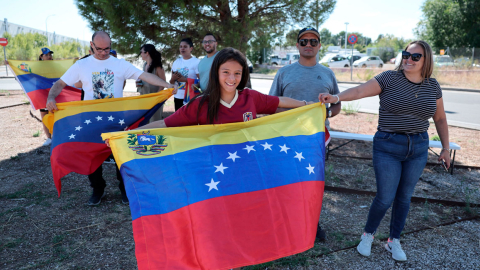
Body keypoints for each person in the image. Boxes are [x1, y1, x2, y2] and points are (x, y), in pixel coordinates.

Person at [318, 40, 451, 261]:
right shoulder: (390, 78)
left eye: (415, 56)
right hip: (388, 145)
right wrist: (336, 98)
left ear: (426, 60)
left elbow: (440, 118)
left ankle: (393, 240)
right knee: (385, 197)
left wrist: (446, 148)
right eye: (405, 54)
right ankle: (368, 235)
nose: (408, 59)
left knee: (404, 197)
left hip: (418, 147)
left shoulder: (433, 85)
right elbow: (361, 90)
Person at [46, 31, 177, 206]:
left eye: (107, 49)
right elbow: (59, 84)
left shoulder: (119, 64)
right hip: (90, 121)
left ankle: (125, 190)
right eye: (99, 49)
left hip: (117, 120)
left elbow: (144, 76)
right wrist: (50, 98)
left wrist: (166, 85)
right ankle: (97, 189)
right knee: (92, 155)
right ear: (91, 45)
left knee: (119, 155)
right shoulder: (81, 65)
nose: (103, 52)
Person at [269, 27, 341, 241]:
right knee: (286, 181)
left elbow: (336, 107)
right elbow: (271, 104)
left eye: (313, 41)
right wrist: (299, 111)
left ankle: (311, 224)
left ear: (319, 46)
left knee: (312, 183)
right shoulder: (284, 72)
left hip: (315, 139)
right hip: (287, 138)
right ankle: (284, 224)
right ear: (297, 45)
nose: (308, 45)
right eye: (304, 41)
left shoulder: (328, 74)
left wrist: (323, 112)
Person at [136, 44, 166, 121]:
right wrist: (139, 83)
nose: (141, 54)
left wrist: (156, 98)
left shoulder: (158, 67)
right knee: (144, 121)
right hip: (144, 98)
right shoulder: (145, 65)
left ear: (147, 53)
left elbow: (163, 83)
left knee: (154, 121)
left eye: (141, 52)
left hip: (155, 101)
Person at [169, 38, 199, 111]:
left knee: (190, 120)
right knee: (178, 121)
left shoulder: (196, 62)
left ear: (191, 48)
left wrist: (185, 80)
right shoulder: (176, 62)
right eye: (181, 46)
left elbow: (201, 81)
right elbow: (171, 82)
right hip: (178, 96)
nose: (182, 48)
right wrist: (173, 78)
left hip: (191, 97)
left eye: (185, 47)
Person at [39, 47, 55, 146]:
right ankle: (48, 138)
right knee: (44, 115)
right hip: (42, 95)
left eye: (50, 54)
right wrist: (10, 64)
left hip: (54, 95)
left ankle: (55, 136)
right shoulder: (37, 67)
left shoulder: (55, 65)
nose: (49, 56)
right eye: (46, 55)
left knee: (53, 115)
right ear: (41, 57)